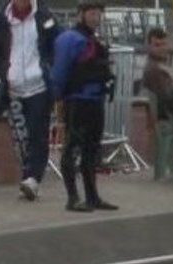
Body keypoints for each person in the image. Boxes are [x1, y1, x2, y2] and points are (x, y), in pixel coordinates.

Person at [0, 0, 59, 201]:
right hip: (13, 87)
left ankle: (33, 179)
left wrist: (49, 67)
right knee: (21, 138)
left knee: (38, 134)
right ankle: (27, 178)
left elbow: (57, 42)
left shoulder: (44, 16)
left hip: (38, 87)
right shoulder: (1, 19)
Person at [50, 0, 117, 212]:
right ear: (81, 14)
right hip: (77, 100)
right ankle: (73, 198)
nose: (96, 18)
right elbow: (59, 72)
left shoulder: (92, 39)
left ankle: (92, 197)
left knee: (91, 149)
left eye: (98, 15)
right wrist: (57, 97)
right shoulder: (69, 39)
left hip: (95, 100)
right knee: (71, 148)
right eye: (92, 14)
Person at [140, 26, 173, 121]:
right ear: (148, 46)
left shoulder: (163, 64)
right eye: (157, 45)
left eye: (164, 44)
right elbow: (169, 99)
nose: (162, 48)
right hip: (164, 121)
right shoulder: (155, 70)